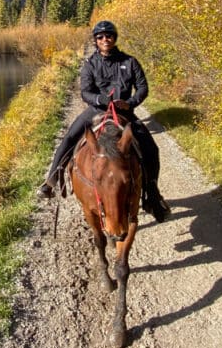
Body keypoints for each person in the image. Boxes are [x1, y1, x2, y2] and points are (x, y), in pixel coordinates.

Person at [37, 20, 170, 222]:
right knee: (70, 137)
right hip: (97, 111)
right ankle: (52, 179)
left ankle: (152, 193)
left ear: (114, 38)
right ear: (96, 40)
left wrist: (130, 102)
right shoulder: (90, 64)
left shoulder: (130, 62)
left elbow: (142, 87)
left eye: (108, 36)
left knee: (151, 147)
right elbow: (85, 91)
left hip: (123, 112)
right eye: (100, 37)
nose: (105, 39)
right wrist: (101, 99)